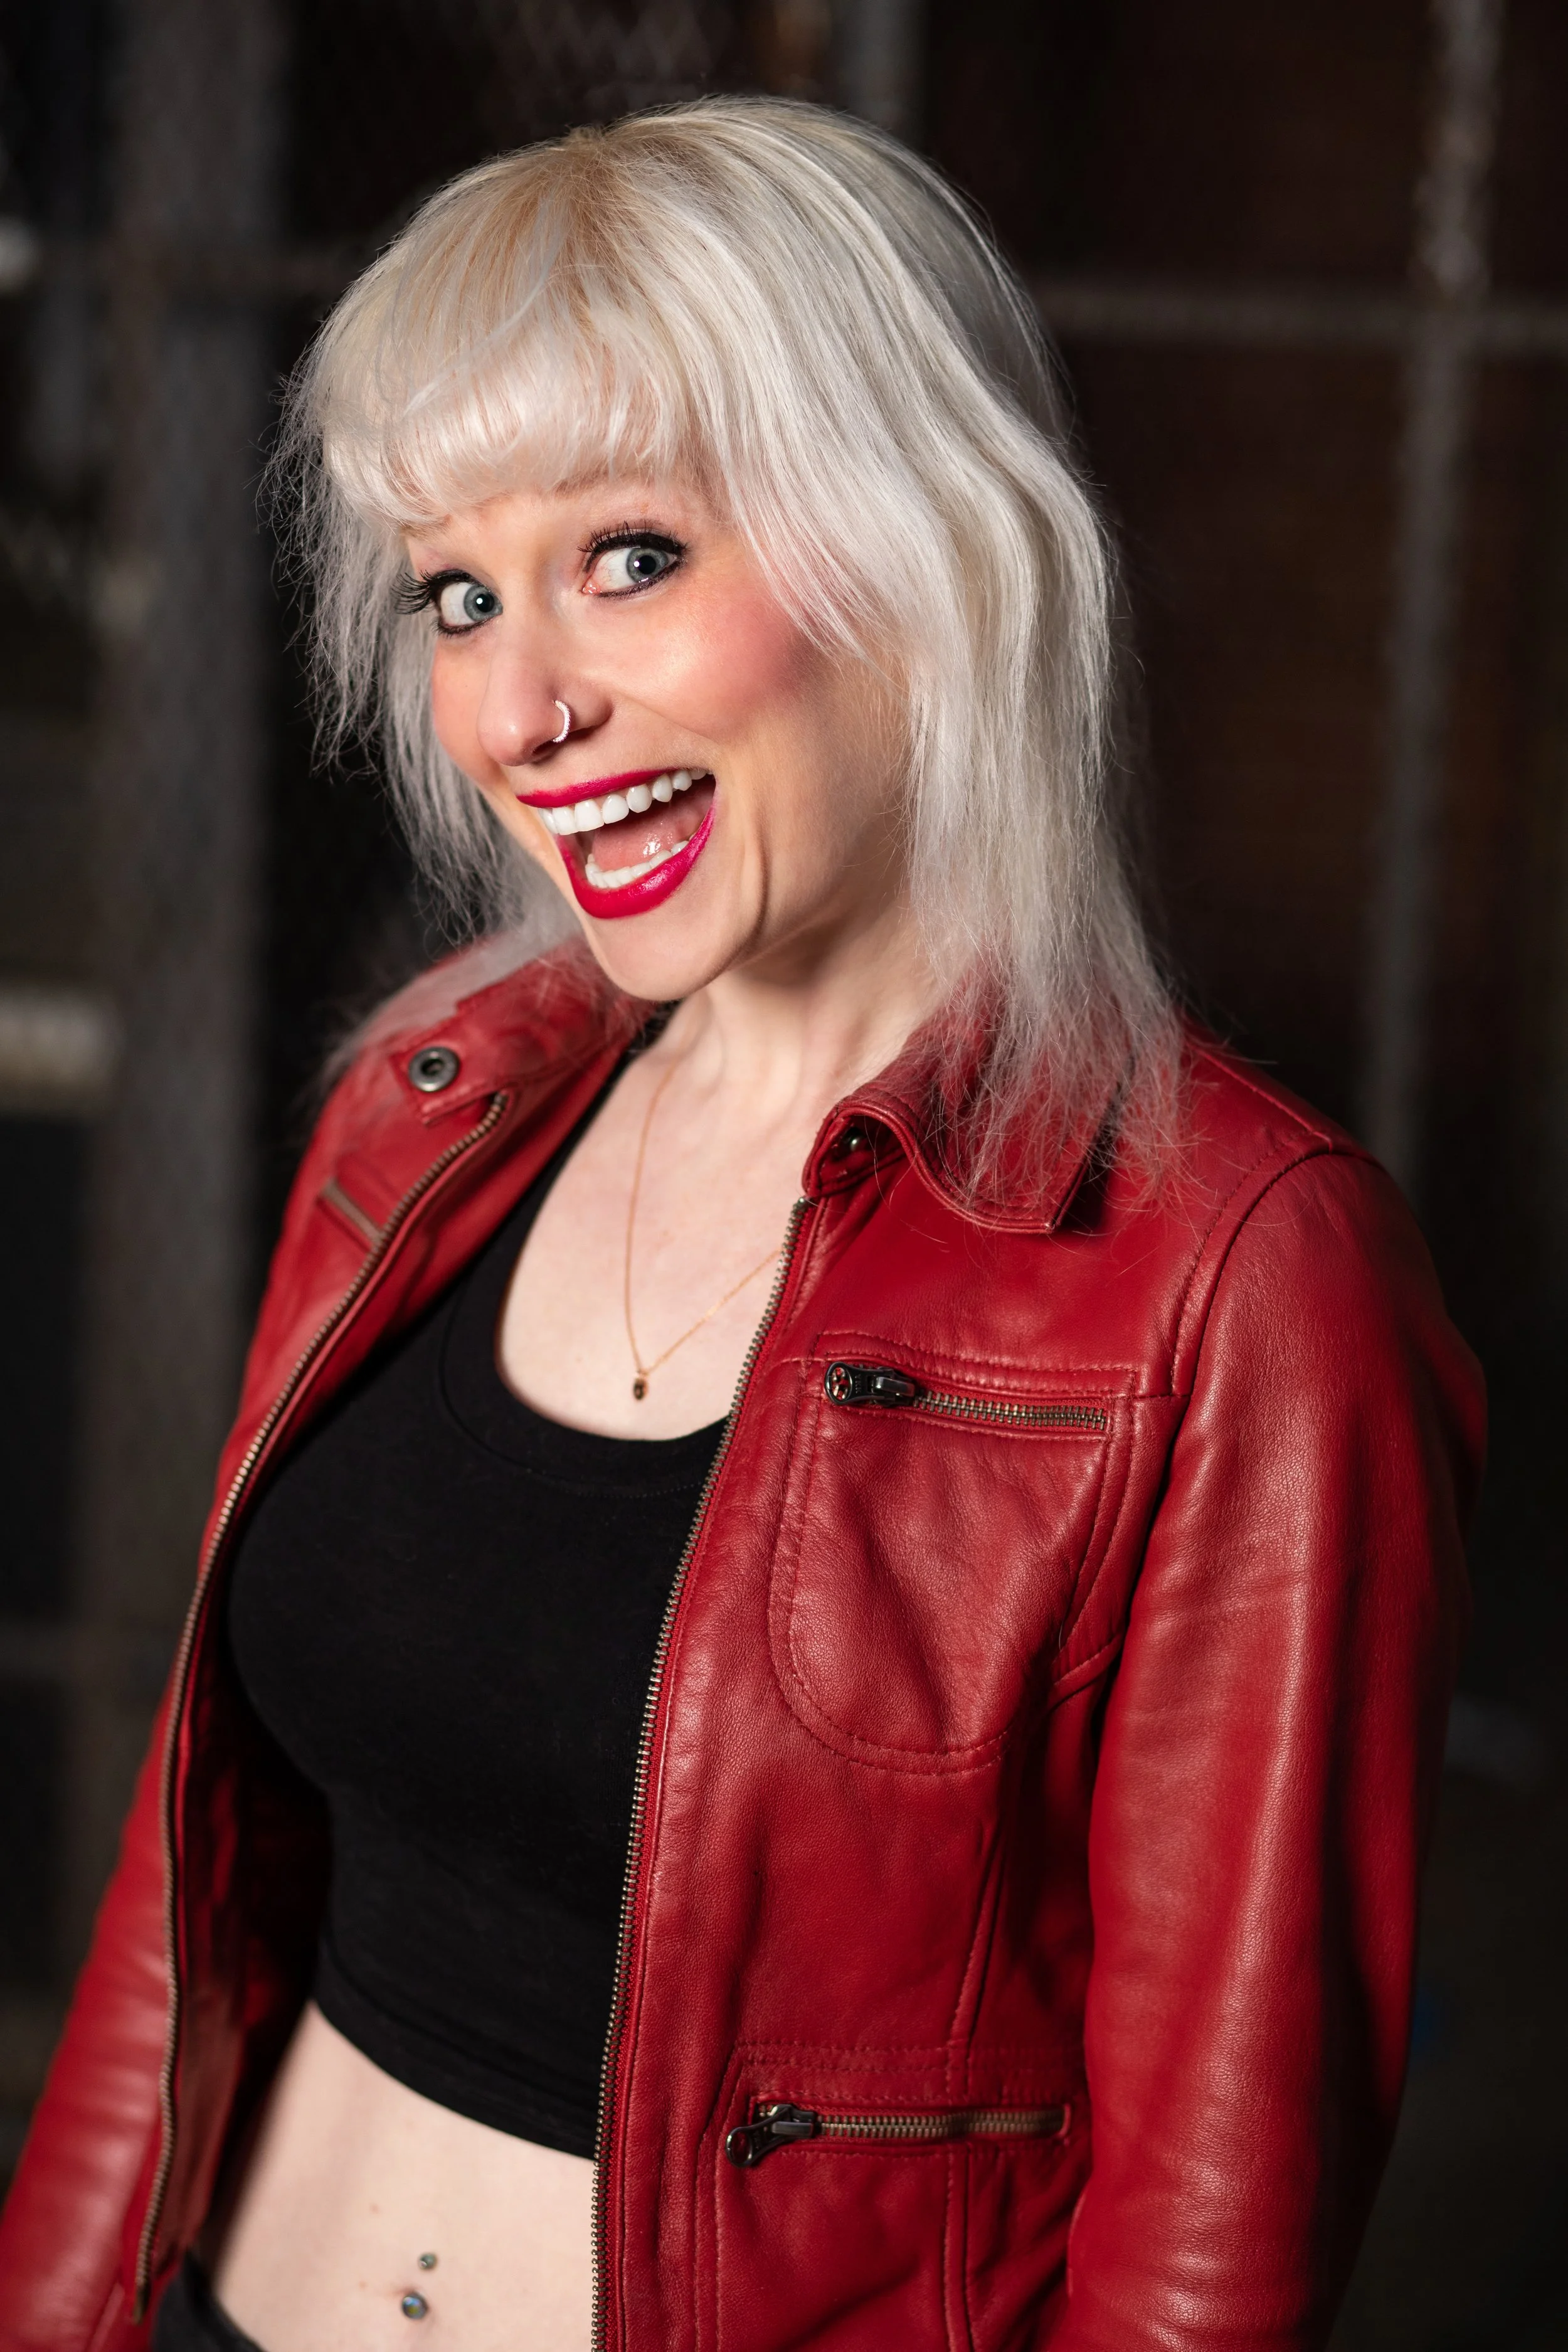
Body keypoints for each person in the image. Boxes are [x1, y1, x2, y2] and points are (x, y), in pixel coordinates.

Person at [0, 97, 1481, 2352]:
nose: (517, 706)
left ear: (923, 548)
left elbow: (1214, 2237)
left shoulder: (1240, 1278)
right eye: (459, 592)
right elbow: (180, 1909)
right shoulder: (428, 1118)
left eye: (629, 556)